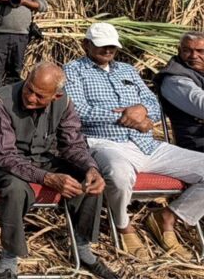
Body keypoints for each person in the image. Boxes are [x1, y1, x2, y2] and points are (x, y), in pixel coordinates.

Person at [64, 23, 204, 260]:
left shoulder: (127, 70)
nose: (108, 50)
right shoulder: (73, 70)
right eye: (102, 45)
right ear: (86, 44)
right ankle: (123, 225)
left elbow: (153, 105)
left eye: (112, 46)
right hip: (105, 143)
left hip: (146, 144)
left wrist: (141, 111)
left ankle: (167, 217)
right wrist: (127, 116)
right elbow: (78, 111)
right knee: (118, 174)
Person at [0, 62, 117, 279]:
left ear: (55, 96)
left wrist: (91, 168)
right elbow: (5, 156)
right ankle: (9, 255)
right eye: (29, 89)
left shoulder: (64, 103)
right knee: (15, 189)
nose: (31, 98)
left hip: (39, 158)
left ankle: (82, 247)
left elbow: (73, 145)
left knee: (89, 180)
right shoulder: (2, 100)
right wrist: (47, 178)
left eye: (40, 96)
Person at [154, 31, 204, 152]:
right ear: (179, 51)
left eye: (200, 51)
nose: (194, 56)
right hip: (196, 145)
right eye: (187, 51)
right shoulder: (174, 79)